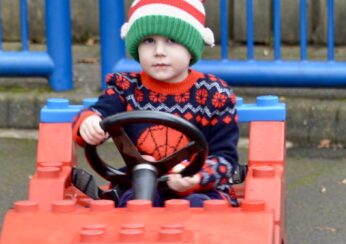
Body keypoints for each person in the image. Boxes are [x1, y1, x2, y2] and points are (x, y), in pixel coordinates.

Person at [72, 0, 239, 207]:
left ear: (191, 46)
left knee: (199, 208)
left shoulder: (215, 94)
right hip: (139, 183)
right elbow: (102, 110)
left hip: (201, 188)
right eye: (149, 41)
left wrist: (197, 176)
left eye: (171, 40)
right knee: (134, 204)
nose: (159, 51)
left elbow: (226, 159)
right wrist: (90, 122)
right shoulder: (125, 87)